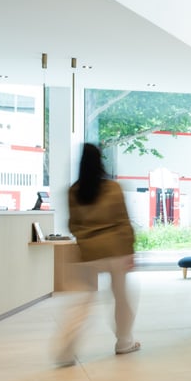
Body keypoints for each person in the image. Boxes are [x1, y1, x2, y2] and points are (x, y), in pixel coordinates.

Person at [52, 143, 139, 364]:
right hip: (117, 250)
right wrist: (130, 249)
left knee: (82, 301)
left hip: (89, 253)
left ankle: (65, 352)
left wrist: (87, 237)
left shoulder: (74, 191)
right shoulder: (113, 188)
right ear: (101, 162)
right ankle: (124, 342)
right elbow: (123, 221)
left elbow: (72, 225)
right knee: (121, 297)